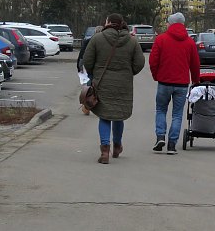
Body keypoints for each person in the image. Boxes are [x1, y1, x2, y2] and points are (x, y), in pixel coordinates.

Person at [83, 13, 145, 164]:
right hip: (123, 84)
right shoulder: (132, 41)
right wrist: (128, 72)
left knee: (104, 115)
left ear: (108, 22)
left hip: (102, 83)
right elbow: (140, 63)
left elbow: (87, 60)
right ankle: (117, 146)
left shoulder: (97, 38)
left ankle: (105, 150)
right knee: (119, 114)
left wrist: (95, 74)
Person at [149, 12, 200, 154]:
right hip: (182, 84)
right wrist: (195, 80)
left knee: (160, 110)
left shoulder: (161, 39)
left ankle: (160, 136)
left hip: (164, 82)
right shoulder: (189, 42)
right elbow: (195, 64)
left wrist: (156, 75)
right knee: (177, 114)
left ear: (171, 24)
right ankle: (172, 144)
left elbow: (153, 61)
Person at [77, 25, 104, 115]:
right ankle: (89, 105)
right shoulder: (105, 43)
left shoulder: (88, 41)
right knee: (96, 86)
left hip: (90, 67)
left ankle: (87, 106)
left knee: (89, 85)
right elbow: (82, 54)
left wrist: (79, 66)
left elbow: (81, 55)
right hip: (98, 68)